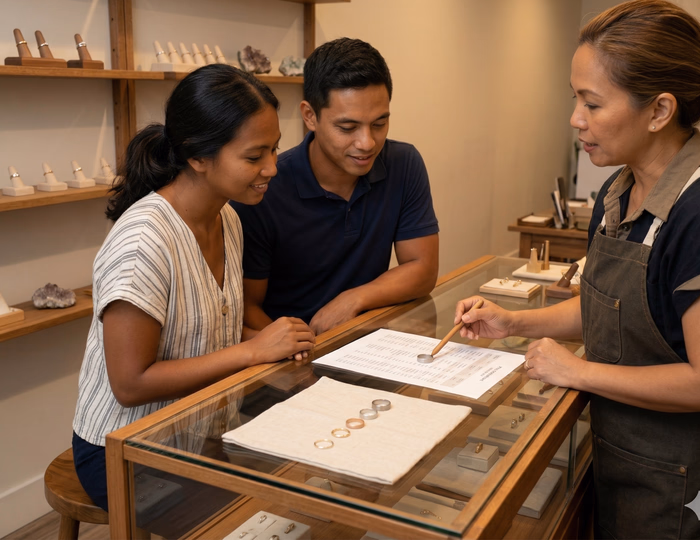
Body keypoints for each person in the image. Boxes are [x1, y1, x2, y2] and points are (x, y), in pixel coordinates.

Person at [455, 0, 700, 539]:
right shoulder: (617, 190)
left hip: (681, 482)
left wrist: (576, 371)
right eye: (574, 98)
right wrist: (512, 322)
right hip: (617, 455)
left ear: (658, 111)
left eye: (592, 103)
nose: (575, 119)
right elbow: (611, 312)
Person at [72, 64, 315, 511]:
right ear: (198, 157)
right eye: (254, 156)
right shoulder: (144, 241)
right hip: (123, 451)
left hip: (197, 429)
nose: (272, 168)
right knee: (270, 506)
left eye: (275, 150)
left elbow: (207, 330)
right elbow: (130, 383)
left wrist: (271, 342)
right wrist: (254, 351)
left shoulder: (228, 219)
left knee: (310, 470)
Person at [230, 38, 439, 335]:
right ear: (310, 116)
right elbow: (247, 309)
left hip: (367, 339)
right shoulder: (265, 187)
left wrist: (354, 298)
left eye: (379, 124)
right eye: (348, 128)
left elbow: (422, 269)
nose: (367, 143)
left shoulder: (403, 164)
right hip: (294, 355)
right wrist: (298, 350)